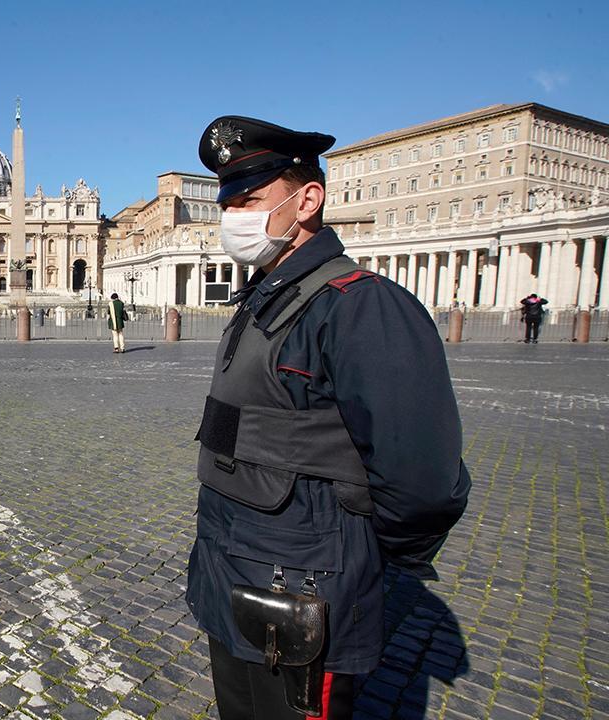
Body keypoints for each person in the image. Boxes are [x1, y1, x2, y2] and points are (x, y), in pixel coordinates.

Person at [186, 116, 472, 719]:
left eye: (251, 199)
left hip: (304, 588)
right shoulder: (263, 297)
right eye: (228, 203)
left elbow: (422, 478)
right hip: (229, 573)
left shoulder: (362, 306)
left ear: (307, 199)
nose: (233, 217)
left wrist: (358, 560)